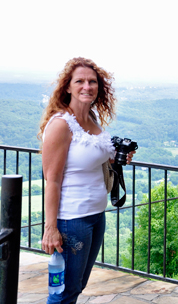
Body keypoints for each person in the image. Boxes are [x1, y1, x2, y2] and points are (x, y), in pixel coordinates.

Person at [39, 57, 134, 304]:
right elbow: (53, 180)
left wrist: (119, 158)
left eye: (92, 82)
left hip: (95, 216)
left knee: (77, 286)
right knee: (63, 292)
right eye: (79, 81)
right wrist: (51, 228)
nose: (87, 86)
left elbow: (93, 162)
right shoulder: (61, 125)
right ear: (67, 87)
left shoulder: (91, 121)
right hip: (72, 219)